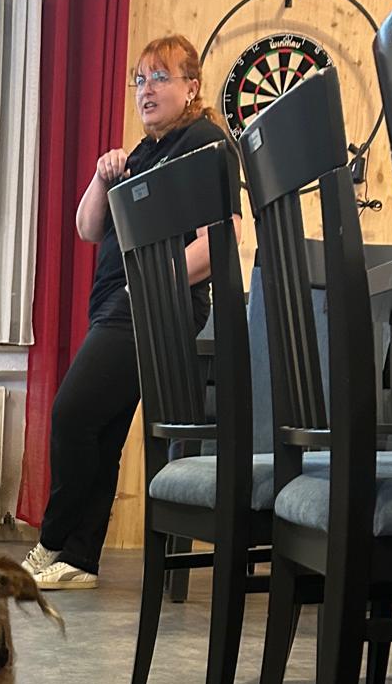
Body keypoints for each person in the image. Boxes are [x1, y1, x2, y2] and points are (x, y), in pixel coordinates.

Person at [24, 35, 243, 590]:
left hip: (152, 306)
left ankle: (52, 541)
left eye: (160, 77)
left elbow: (225, 237)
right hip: (117, 305)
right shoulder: (143, 153)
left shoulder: (204, 143)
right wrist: (103, 176)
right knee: (100, 430)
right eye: (140, 80)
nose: (146, 90)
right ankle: (79, 559)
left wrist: (149, 284)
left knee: (72, 413)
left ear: (191, 87)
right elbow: (87, 228)